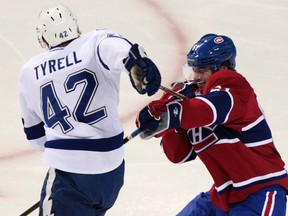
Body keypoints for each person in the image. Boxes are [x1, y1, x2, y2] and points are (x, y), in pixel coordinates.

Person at [18, 5, 161, 216]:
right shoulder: (95, 42)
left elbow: (35, 136)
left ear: (44, 38)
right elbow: (125, 51)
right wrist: (137, 62)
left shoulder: (30, 71)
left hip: (70, 177)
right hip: (111, 175)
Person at [135, 33, 288, 215]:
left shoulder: (235, 88)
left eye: (202, 70)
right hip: (223, 197)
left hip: (260, 192)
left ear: (222, 68)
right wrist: (166, 111)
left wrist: (174, 113)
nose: (195, 76)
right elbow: (178, 155)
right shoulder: (194, 101)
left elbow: (208, 109)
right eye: (193, 69)